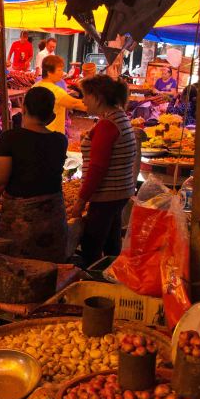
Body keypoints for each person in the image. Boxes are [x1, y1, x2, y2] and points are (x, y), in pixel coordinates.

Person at [0, 88, 68, 262]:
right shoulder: (60, 140)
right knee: (51, 270)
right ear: (51, 116)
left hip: (23, 224)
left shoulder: (10, 139)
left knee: (21, 269)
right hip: (54, 220)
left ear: (24, 109)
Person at [68, 75, 138, 265]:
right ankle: (111, 275)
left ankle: (93, 281)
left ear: (98, 97)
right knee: (111, 243)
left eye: (85, 95)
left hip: (107, 194)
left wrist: (81, 201)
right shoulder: (119, 117)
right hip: (119, 191)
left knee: (92, 246)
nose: (83, 100)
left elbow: (97, 168)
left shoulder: (108, 125)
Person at [32, 55, 87, 135]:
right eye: (59, 70)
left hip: (37, 133)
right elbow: (75, 104)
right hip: (52, 136)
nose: (62, 73)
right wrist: (101, 106)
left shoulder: (35, 86)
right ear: (49, 72)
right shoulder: (55, 91)